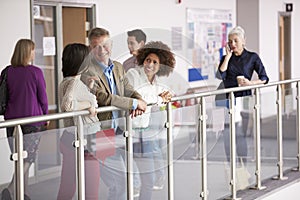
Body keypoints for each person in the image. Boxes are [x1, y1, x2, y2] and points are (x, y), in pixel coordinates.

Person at [81, 27, 147, 200]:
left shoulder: (117, 66)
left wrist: (140, 100)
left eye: (105, 45)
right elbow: (103, 98)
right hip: (101, 132)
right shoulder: (88, 71)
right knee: (120, 182)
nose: (102, 50)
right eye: (96, 46)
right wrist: (133, 103)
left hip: (120, 130)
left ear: (111, 44)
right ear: (90, 48)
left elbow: (127, 88)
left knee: (124, 181)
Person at [126, 41, 175, 200]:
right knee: (132, 180)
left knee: (149, 179)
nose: (150, 64)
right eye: (148, 60)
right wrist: (158, 99)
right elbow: (138, 98)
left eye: (155, 62)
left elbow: (163, 95)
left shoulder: (154, 82)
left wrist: (165, 96)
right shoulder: (133, 74)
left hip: (144, 132)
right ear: (143, 59)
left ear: (161, 66)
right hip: (129, 132)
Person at [0, 39, 49, 200]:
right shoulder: (35, 72)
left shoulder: (7, 72)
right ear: (27, 52)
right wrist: (46, 115)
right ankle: (11, 189)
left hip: (12, 122)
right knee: (28, 159)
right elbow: (43, 97)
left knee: (19, 158)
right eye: (33, 50)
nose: (34, 53)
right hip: (33, 122)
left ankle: (24, 194)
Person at [216, 26, 269, 163]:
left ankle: (242, 165)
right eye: (230, 42)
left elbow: (264, 78)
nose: (232, 44)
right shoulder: (226, 58)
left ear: (243, 41)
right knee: (227, 134)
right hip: (228, 100)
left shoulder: (252, 57)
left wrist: (250, 83)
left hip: (244, 99)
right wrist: (227, 57)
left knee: (241, 134)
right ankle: (231, 165)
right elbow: (219, 75)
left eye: (235, 41)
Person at [57, 43, 100, 200]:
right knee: (90, 189)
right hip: (83, 139)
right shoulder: (74, 81)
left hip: (74, 138)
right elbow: (67, 106)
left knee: (68, 186)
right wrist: (89, 105)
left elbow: (73, 100)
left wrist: (88, 88)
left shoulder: (69, 80)